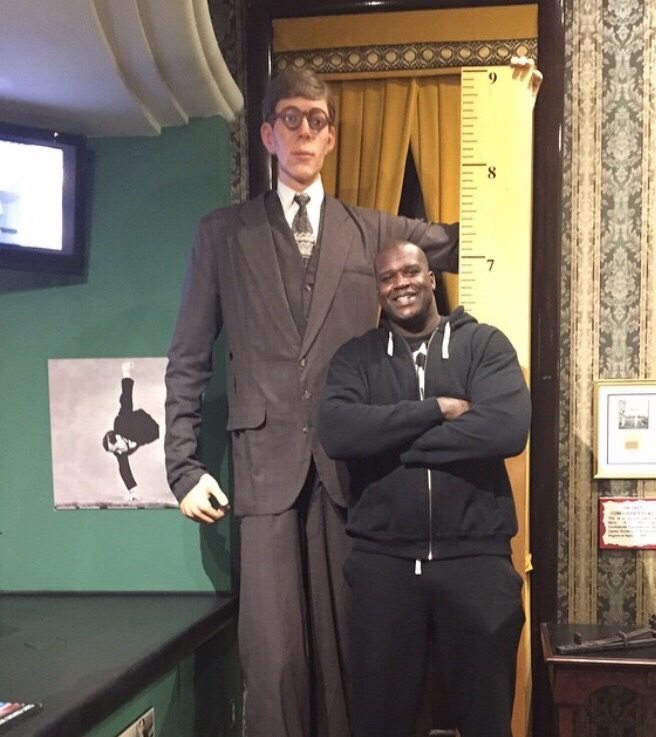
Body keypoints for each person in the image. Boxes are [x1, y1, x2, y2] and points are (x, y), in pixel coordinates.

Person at [164, 69, 464, 737]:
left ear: (332, 138)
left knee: (351, 654)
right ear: (268, 133)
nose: (305, 131)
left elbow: (463, 239)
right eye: (292, 118)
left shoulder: (373, 231)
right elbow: (187, 356)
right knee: (273, 663)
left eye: (318, 121)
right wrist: (182, 466)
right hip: (263, 470)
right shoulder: (222, 234)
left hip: (351, 470)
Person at [317, 240, 532, 737]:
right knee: (379, 721)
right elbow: (338, 433)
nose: (401, 283)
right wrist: (435, 409)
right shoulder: (356, 359)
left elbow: (506, 430)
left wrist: (393, 443)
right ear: (379, 289)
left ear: (432, 277)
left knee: (486, 719)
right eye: (388, 277)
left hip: (476, 561)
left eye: (411, 271)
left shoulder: (484, 345)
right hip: (383, 566)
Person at [103, 361, 159, 501]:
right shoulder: (119, 451)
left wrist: (126, 372)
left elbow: (126, 397)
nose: (120, 452)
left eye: (117, 448)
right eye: (115, 452)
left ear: (119, 437)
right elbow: (124, 469)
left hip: (147, 422)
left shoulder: (121, 422)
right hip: (149, 436)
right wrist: (132, 491)